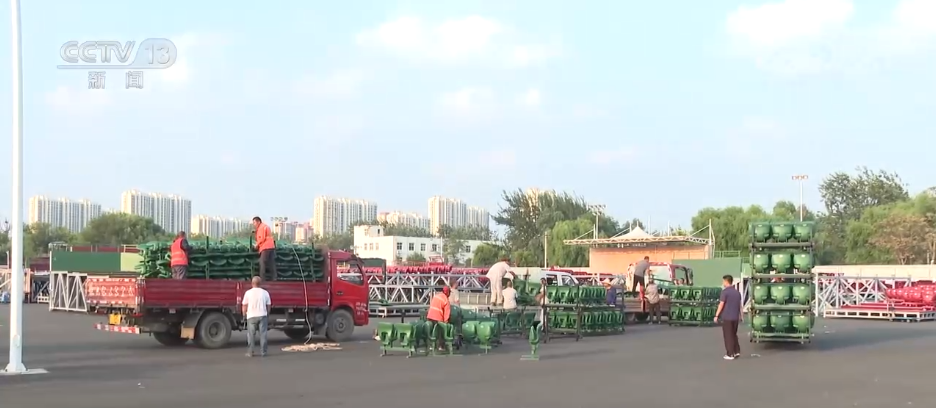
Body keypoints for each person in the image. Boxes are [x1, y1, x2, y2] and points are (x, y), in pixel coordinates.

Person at [715, 274, 743, 360]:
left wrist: (716, 315)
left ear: (726, 281)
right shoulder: (737, 292)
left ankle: (730, 354)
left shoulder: (725, 292)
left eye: (723, 281)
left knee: (728, 336)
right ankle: (736, 351)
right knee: (733, 334)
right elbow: (740, 305)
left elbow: (721, 304)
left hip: (727, 317)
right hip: (735, 317)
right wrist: (741, 316)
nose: (723, 283)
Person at [242, 276, 272, 357]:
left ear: (252, 283)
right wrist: (267, 313)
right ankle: (263, 352)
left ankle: (250, 352)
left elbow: (244, 305)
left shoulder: (248, 293)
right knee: (263, 334)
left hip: (251, 316)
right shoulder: (265, 293)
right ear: (260, 283)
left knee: (251, 335)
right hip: (262, 315)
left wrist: (244, 314)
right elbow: (268, 305)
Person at [427, 287, 452, 351]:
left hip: (430, 316)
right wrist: (446, 322)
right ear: (448, 293)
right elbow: (447, 313)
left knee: (431, 331)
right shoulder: (446, 300)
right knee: (441, 332)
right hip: (438, 317)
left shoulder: (436, 296)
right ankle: (440, 346)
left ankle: (431, 346)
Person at [252, 216, 277, 281]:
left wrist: (256, 245)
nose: (254, 224)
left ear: (258, 222)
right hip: (271, 246)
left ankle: (262, 279)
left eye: (254, 222)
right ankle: (274, 278)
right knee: (271, 263)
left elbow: (261, 238)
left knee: (262, 262)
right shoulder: (266, 226)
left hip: (265, 247)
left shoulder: (261, 228)